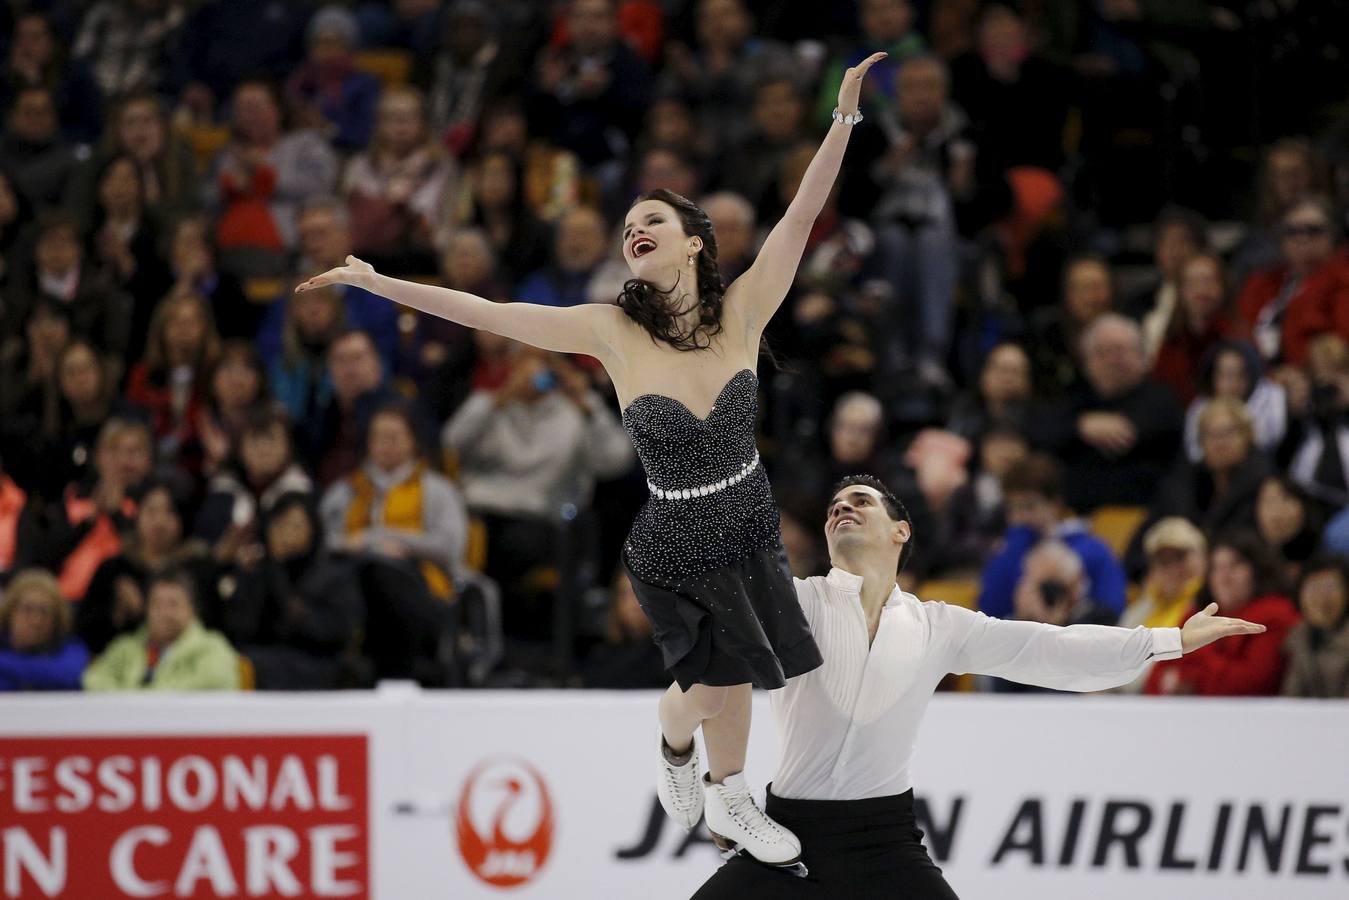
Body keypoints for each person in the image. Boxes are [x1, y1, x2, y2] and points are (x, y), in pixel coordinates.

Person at [297, 51, 894, 869]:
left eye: (652, 219)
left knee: (745, 677)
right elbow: (487, 312)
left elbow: (798, 216)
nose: (634, 230)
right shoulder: (609, 332)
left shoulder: (747, 310)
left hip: (748, 518)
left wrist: (843, 117)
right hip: (675, 533)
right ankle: (673, 745)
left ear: (692, 244)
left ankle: (729, 795)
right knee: (714, 682)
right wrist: (378, 284)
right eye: (626, 228)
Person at [691, 474, 1263, 899]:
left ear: (901, 530)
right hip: (787, 836)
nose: (843, 508)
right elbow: (712, 636)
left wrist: (1168, 642)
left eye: (860, 501)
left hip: (883, 842)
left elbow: (1047, 650)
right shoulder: (793, 601)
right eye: (835, 507)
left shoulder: (939, 625)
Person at [1145, 532, 1300, 697]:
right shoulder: (1201, 614)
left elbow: (1250, 684)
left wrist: (1188, 674)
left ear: (1257, 570)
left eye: (1234, 566)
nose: (1224, 578)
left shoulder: (1276, 615)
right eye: (1216, 568)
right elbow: (1155, 680)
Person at [977, 453, 1126, 622]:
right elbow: (989, 610)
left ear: (1055, 503)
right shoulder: (1009, 550)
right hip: (1019, 640)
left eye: (1029, 506)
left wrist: (1064, 622)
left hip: (1078, 640)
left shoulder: (1092, 549)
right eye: (1012, 508)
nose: (1019, 517)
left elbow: (1112, 607)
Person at [82, 567, 239, 691]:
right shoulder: (126, 647)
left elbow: (214, 681)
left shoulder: (212, 646)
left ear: (193, 610)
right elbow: (93, 680)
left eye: (173, 604)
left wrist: (142, 699)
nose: (164, 612)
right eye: (157, 604)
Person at [0, 568, 89, 691]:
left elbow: (65, 675)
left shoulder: (71, 648)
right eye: (27, 610)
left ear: (57, 619)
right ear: (10, 612)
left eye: (44, 612)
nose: (36, 621)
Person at [1281, 555, 1349, 698]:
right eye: (1312, 588)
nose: (1320, 597)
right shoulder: (1298, 637)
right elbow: (1291, 697)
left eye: (1330, 587)